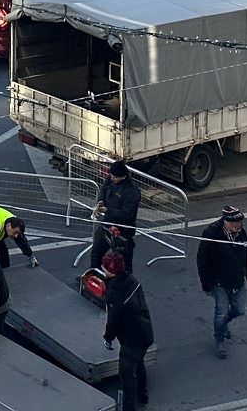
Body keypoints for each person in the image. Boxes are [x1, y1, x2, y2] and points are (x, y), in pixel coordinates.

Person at [197, 205, 247, 358]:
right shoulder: (211, 233)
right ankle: (219, 339)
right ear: (226, 222)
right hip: (219, 282)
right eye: (235, 223)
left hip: (237, 279)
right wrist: (205, 284)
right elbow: (202, 260)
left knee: (240, 309)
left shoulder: (241, 234)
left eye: (240, 223)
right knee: (221, 313)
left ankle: (223, 325)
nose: (239, 226)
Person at [101, 254, 155, 409]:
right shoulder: (132, 281)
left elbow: (114, 319)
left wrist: (108, 337)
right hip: (144, 331)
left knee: (126, 373)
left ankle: (129, 406)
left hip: (130, 338)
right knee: (139, 363)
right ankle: (143, 396)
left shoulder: (116, 292)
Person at [93, 159, 142, 271]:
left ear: (123, 176)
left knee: (123, 259)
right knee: (97, 251)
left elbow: (128, 213)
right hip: (107, 223)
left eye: (115, 177)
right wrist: (100, 201)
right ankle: (93, 273)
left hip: (123, 229)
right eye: (111, 176)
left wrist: (108, 210)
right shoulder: (110, 180)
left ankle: (126, 282)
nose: (112, 179)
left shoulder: (132, 190)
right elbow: (103, 190)